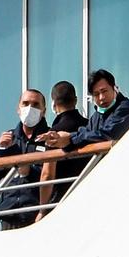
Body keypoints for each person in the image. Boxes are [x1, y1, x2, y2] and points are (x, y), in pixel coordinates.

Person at [0, 89, 49, 230]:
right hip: (9, 215)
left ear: (44, 111)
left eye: (35, 105)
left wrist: (29, 172)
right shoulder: (9, 137)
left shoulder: (49, 139)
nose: (30, 108)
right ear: (18, 109)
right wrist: (0, 150)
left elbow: (55, 175)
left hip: (38, 216)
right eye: (25, 104)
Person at [43, 69, 129, 151]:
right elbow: (86, 134)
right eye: (96, 94)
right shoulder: (96, 116)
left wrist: (70, 138)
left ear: (115, 89)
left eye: (104, 91)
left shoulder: (125, 110)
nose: (101, 97)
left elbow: (106, 135)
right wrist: (63, 139)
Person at [35, 81, 87, 221]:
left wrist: (42, 210)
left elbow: (47, 173)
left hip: (62, 198)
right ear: (75, 100)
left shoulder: (54, 133)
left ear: (53, 104)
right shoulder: (89, 126)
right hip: (88, 195)